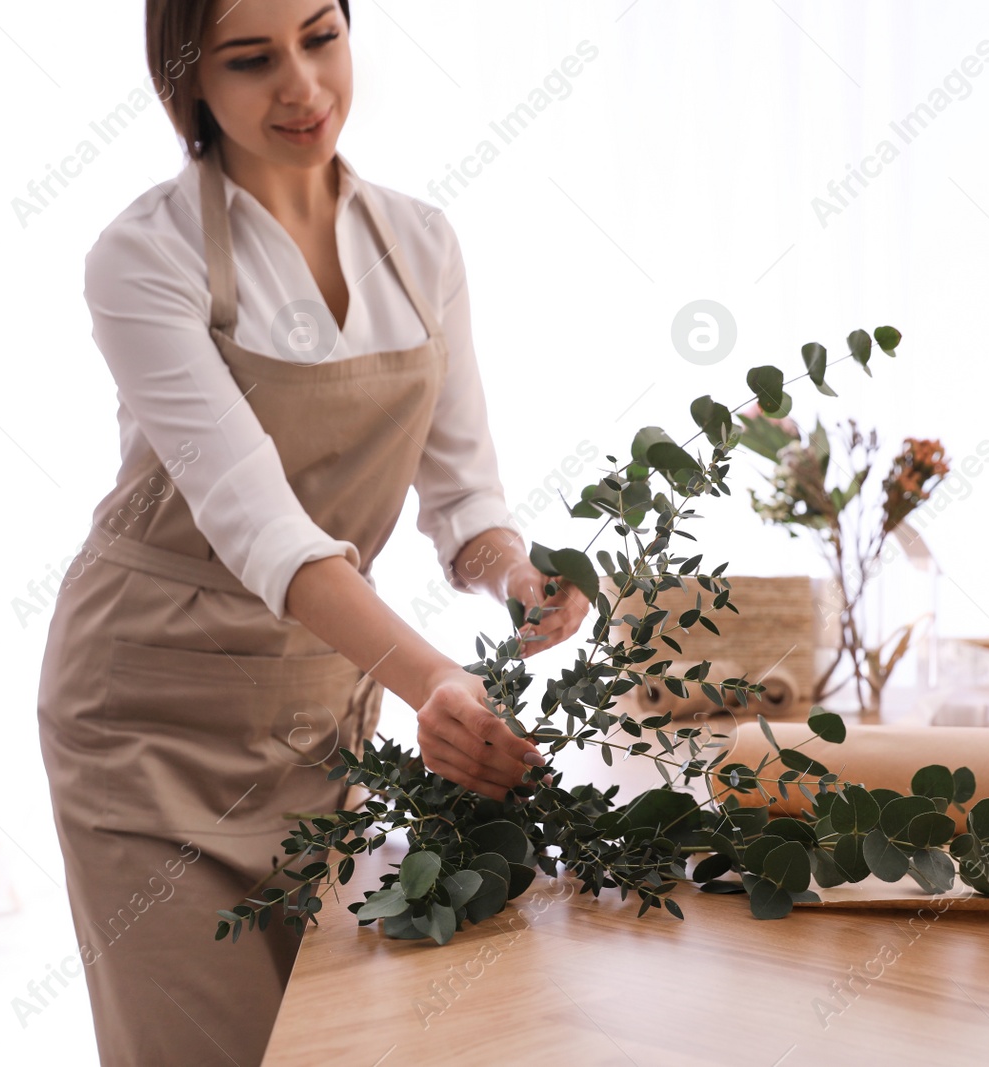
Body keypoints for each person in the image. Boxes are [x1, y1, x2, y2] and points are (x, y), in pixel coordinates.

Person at [35, 0, 590, 1062]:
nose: (302, 86)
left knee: (322, 1041)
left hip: (317, 705)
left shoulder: (420, 242)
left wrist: (520, 577)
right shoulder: (143, 256)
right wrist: (433, 679)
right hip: (143, 715)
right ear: (188, 79)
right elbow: (261, 523)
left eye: (320, 37)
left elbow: (465, 495)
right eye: (252, 59)